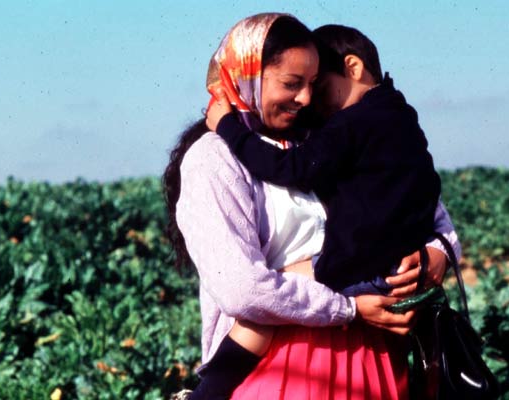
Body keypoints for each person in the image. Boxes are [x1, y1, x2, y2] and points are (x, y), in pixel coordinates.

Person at [163, 13, 460, 400]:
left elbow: (427, 208)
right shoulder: (214, 159)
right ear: (249, 76)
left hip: (376, 358)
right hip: (279, 369)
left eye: (313, 86)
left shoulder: (329, 138)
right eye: (292, 84)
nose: (305, 99)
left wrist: (438, 251)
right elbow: (242, 289)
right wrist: (348, 309)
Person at [208, 24, 441, 296]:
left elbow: (293, 168)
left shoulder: (351, 123)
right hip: (404, 266)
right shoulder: (400, 113)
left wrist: (228, 128)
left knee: (271, 284)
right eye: (294, 84)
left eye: (320, 88)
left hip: (357, 267)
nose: (310, 102)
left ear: (352, 67)